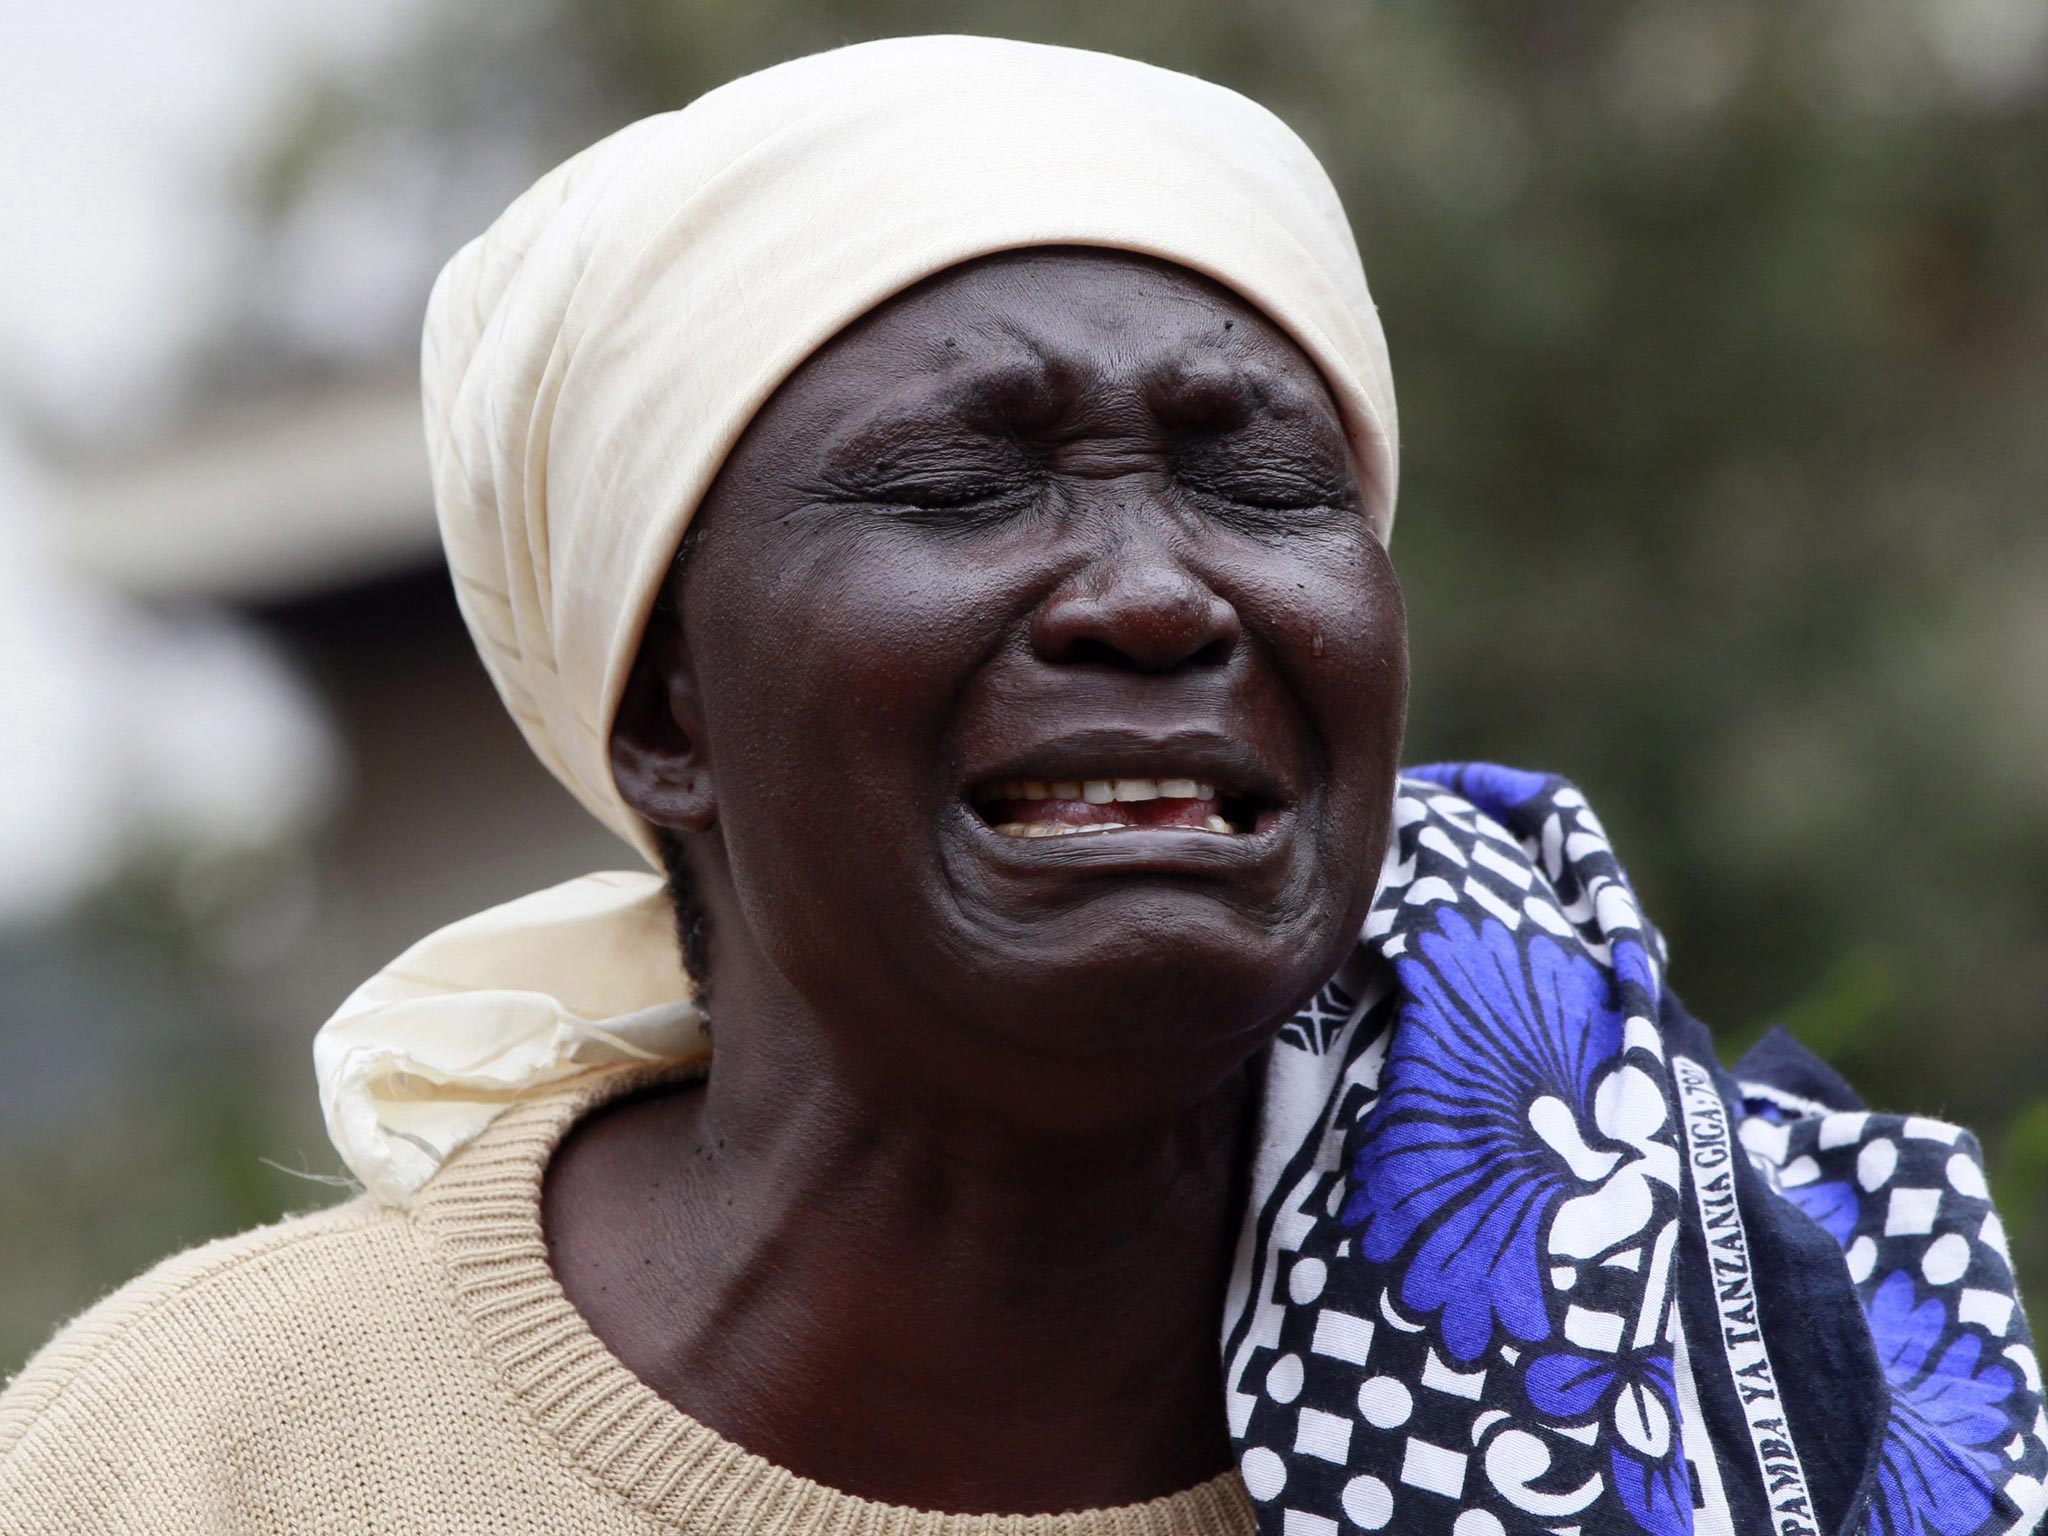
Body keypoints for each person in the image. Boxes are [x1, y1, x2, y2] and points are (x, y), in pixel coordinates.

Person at [2, 34, 2041, 1536]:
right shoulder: (211, 1462)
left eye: (1261, 483)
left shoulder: (1729, 1379)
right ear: (664, 712)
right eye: (959, 488)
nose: (1158, 598)